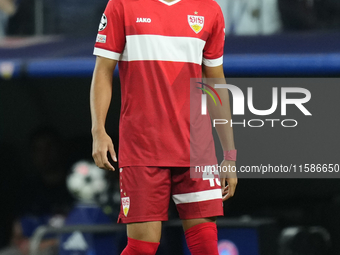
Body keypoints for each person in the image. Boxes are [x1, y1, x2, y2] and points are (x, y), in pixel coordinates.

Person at [90, 0, 237, 254]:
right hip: (142, 148)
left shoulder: (209, 9)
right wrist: (98, 131)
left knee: (206, 249)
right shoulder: (122, 5)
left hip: (197, 149)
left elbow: (216, 82)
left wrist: (230, 156)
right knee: (142, 249)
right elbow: (103, 71)